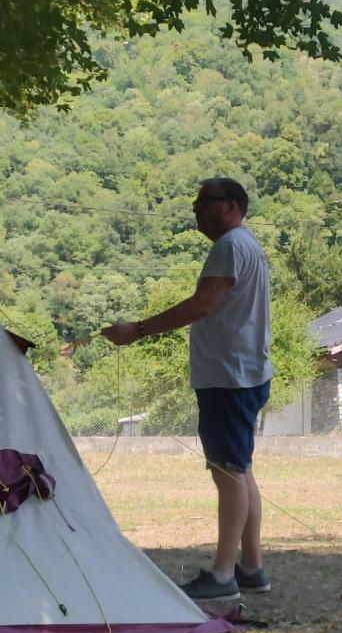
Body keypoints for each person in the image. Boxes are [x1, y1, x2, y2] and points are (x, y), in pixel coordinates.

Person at [102, 178, 272, 600]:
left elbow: (203, 305)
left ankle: (221, 577)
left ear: (230, 206)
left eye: (203, 202)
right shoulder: (247, 246)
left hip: (229, 376)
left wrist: (137, 330)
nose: (194, 209)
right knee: (240, 468)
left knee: (228, 473)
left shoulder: (230, 246)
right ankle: (250, 568)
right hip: (246, 373)